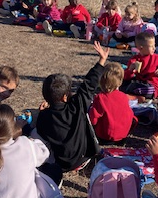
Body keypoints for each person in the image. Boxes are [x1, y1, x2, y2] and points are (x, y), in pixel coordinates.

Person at [35, 41, 109, 172]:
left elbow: (42, 132)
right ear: (65, 97)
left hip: (60, 163)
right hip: (83, 158)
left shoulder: (44, 116)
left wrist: (40, 114)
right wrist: (101, 61)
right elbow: (88, 85)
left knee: (34, 132)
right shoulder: (77, 105)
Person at [89, 62, 136, 144]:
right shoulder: (124, 96)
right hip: (122, 136)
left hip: (104, 136)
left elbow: (93, 119)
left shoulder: (100, 98)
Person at [123, 32, 158, 98]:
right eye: (151, 46)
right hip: (139, 83)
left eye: (154, 45)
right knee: (125, 83)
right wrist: (130, 70)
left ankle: (132, 92)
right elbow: (126, 77)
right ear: (141, 48)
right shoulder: (134, 60)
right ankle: (135, 93)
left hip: (152, 85)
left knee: (147, 89)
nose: (154, 48)